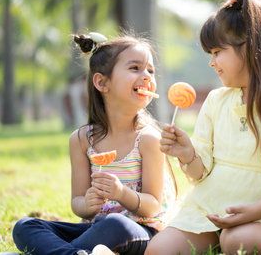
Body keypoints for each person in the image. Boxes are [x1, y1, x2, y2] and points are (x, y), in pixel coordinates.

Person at [145, 0, 261, 255]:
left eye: (218, 52)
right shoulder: (216, 100)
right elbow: (199, 172)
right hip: (208, 208)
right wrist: (187, 154)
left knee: (236, 242)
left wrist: (252, 212)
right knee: (158, 251)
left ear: (253, 49)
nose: (212, 62)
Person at [13, 33, 175, 255]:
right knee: (25, 226)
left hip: (138, 231)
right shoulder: (81, 140)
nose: (147, 76)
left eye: (150, 70)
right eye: (135, 68)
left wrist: (121, 193)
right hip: (94, 230)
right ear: (101, 82)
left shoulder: (148, 139)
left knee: (114, 224)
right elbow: (77, 203)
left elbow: (153, 205)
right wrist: (87, 204)